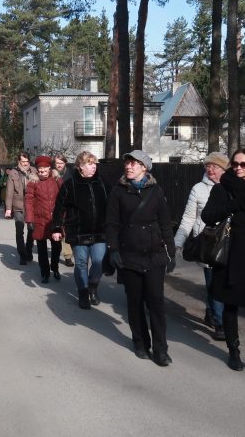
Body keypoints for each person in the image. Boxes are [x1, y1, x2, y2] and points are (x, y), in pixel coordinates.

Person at [105, 150, 177, 367]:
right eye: (127, 163)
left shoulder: (156, 191)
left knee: (156, 302)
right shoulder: (118, 191)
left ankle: (161, 349)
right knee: (134, 302)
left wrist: (171, 252)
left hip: (154, 254)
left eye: (133, 163)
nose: (128, 166)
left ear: (144, 167)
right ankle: (140, 343)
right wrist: (113, 249)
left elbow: (165, 223)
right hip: (129, 254)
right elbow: (111, 224)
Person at [202, 148, 245, 373]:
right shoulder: (222, 188)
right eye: (235, 164)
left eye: (244, 164)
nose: (239, 168)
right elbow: (207, 216)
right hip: (231, 255)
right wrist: (232, 205)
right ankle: (234, 351)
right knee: (230, 303)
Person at [173, 152, 230, 340]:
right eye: (208, 166)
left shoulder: (232, 187)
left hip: (229, 243)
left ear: (224, 169)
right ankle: (220, 323)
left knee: (223, 284)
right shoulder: (198, 189)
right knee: (213, 282)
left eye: (215, 166)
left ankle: (211, 310)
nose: (210, 169)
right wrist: (178, 242)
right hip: (208, 245)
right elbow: (189, 217)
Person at [51, 151, 109, 309]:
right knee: (81, 263)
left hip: (99, 231)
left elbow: (112, 205)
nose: (93, 166)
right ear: (80, 166)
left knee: (98, 261)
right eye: (89, 164)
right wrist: (56, 228)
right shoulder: (69, 185)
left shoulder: (102, 183)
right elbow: (59, 207)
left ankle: (93, 286)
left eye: (94, 163)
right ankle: (83, 293)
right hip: (78, 232)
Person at [25, 155, 63, 284]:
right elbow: (29, 202)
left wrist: (64, 216)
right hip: (39, 220)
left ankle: (55, 268)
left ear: (49, 168)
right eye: (39, 169)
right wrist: (29, 220)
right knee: (41, 249)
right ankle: (45, 273)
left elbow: (64, 197)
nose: (42, 172)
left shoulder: (57, 180)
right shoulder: (33, 182)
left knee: (57, 247)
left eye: (44, 169)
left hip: (54, 221)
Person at [4, 152, 36, 265]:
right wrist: (8, 208)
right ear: (19, 161)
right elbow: (9, 191)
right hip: (18, 205)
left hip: (32, 205)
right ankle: (22, 254)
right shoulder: (13, 173)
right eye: (23, 161)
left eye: (27, 161)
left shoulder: (34, 171)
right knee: (19, 230)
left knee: (31, 229)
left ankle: (29, 250)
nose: (25, 164)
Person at [53, 154, 76, 267]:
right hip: (54, 205)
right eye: (57, 163)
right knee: (57, 230)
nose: (59, 165)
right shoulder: (51, 174)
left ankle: (68, 256)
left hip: (67, 205)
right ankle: (58, 253)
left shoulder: (71, 174)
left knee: (65, 230)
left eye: (61, 163)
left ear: (65, 163)